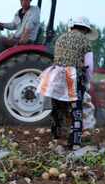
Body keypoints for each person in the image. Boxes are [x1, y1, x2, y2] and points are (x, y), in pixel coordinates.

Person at [38, 17, 98, 149]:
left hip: (55, 75)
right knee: (76, 109)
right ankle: (75, 142)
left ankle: (56, 135)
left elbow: (58, 58)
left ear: (73, 26)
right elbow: (89, 66)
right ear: (85, 30)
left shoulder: (60, 38)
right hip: (72, 76)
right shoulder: (85, 42)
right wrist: (87, 82)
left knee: (57, 107)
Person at [0, 0, 41, 65]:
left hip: (26, 40)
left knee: (1, 40)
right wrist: (0, 24)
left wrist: (23, 38)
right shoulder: (18, 13)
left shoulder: (34, 10)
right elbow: (13, 25)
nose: (23, 2)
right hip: (16, 39)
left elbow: (30, 23)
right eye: (21, 0)